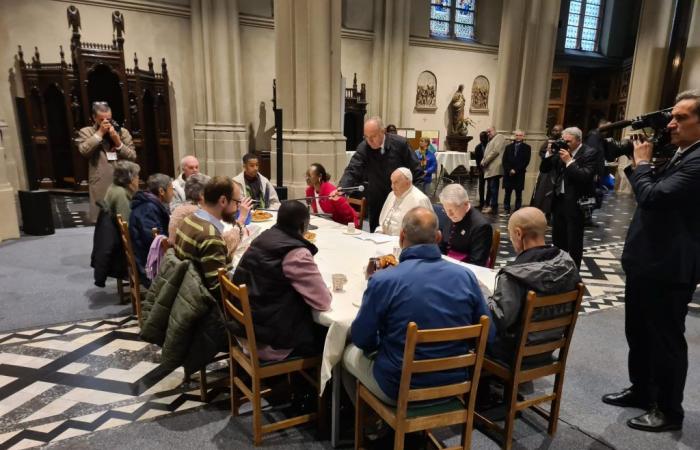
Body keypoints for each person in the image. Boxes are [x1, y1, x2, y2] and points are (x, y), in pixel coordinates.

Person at [603, 90, 700, 432]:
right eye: (672, 116)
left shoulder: (698, 161)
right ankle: (643, 390)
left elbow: (653, 197)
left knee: (665, 341)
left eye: (682, 118)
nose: (672, 123)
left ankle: (669, 410)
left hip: (669, 268)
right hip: (648, 263)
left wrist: (642, 164)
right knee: (639, 332)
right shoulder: (681, 154)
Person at [343, 206, 494, 404]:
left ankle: (372, 424)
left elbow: (362, 338)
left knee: (346, 354)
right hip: (455, 380)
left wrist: (382, 343)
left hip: (400, 386)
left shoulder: (384, 280)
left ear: (401, 236)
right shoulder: (465, 277)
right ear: (439, 237)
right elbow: (489, 334)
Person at [232, 200, 331, 360]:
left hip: (242, 328)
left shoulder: (264, 236)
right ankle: (324, 384)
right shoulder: (296, 252)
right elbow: (323, 301)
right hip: (266, 342)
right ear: (303, 225)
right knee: (326, 335)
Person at [487, 207, 580, 364]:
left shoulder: (514, 276)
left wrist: (485, 300)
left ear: (518, 233)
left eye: (510, 236)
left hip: (513, 353)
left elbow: (499, 321)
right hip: (549, 347)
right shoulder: (568, 264)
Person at [338, 117, 422, 232]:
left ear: (383, 132)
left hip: (400, 199)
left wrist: (413, 197)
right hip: (377, 199)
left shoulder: (400, 144)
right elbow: (353, 169)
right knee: (376, 234)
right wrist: (342, 188)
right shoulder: (364, 147)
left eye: (373, 136)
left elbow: (417, 171)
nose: (369, 140)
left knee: (399, 234)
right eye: (366, 137)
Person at [174, 176, 241, 298]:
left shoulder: (189, 219)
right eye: (237, 202)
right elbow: (219, 290)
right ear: (223, 201)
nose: (238, 208)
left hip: (184, 293)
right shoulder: (210, 236)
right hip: (203, 305)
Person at [539, 127, 597, 268]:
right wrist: (548, 153)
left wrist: (569, 162)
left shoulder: (590, 153)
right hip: (559, 200)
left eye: (569, 141)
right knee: (558, 238)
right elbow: (544, 169)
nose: (565, 144)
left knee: (574, 241)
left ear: (578, 140)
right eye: (563, 140)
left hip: (577, 204)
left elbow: (584, 176)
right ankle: (559, 267)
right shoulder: (561, 151)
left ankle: (574, 271)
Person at [76, 102, 137, 222]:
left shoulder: (122, 132)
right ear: (94, 118)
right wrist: (100, 133)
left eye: (108, 119)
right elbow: (84, 151)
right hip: (101, 182)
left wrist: (118, 142)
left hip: (123, 182)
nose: (106, 122)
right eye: (101, 119)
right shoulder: (86, 132)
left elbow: (132, 156)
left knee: (124, 219)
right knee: (103, 221)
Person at [129, 174, 173, 285]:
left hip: (145, 255)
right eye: (171, 189)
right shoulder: (148, 209)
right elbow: (154, 241)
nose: (173, 193)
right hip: (147, 264)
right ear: (161, 191)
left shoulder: (149, 204)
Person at [438, 183, 493, 267]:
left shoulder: (481, 227)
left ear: (466, 204)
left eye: (452, 210)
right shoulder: (449, 214)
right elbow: (442, 245)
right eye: (446, 210)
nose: (449, 214)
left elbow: (477, 263)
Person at [376, 168, 432, 236]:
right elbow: (383, 223)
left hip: (405, 243)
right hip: (384, 238)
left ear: (408, 183)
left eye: (396, 182)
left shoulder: (420, 200)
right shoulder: (392, 194)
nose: (392, 186)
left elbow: (425, 232)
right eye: (392, 182)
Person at [531, 124, 563, 219]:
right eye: (553, 130)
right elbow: (542, 151)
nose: (554, 132)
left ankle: (550, 214)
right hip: (546, 171)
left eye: (557, 131)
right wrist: (548, 153)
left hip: (555, 172)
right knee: (541, 193)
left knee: (551, 194)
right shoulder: (548, 141)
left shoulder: (562, 142)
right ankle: (540, 213)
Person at [502, 130, 531, 214]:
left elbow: (526, 161)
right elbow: (504, 160)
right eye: (517, 135)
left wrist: (516, 170)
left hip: (519, 173)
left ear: (523, 137)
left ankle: (517, 208)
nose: (518, 137)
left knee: (518, 192)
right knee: (508, 192)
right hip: (509, 173)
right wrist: (509, 169)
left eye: (520, 135)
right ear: (515, 136)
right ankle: (506, 208)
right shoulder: (508, 147)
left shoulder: (527, 147)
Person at [481, 126, 505, 214]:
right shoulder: (491, 139)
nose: (488, 133)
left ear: (495, 130)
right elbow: (487, 152)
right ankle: (489, 205)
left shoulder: (499, 137)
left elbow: (495, 151)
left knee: (493, 188)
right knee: (490, 188)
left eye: (489, 131)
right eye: (487, 132)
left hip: (494, 167)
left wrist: (485, 161)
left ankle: (493, 206)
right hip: (490, 168)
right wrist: (483, 160)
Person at [473, 131, 489, 209]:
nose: (482, 139)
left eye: (483, 137)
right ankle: (481, 202)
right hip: (481, 169)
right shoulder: (478, 147)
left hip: (489, 169)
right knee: (481, 186)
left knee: (490, 187)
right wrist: (479, 169)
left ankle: (488, 203)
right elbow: (477, 159)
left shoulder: (489, 146)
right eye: (481, 137)